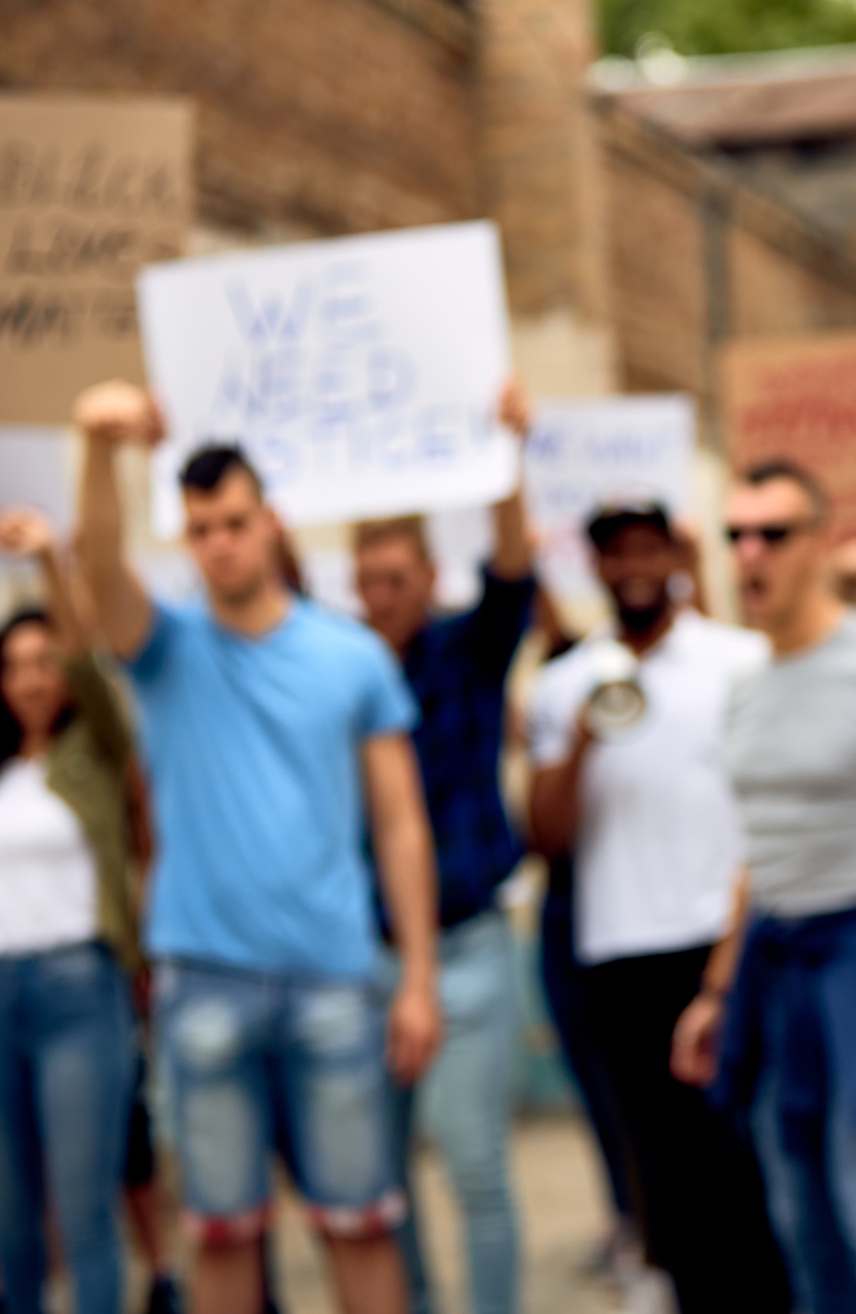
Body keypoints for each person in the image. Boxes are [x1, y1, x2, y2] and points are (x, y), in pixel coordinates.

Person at [69, 380, 443, 1314]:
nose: (218, 543)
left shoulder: (352, 654)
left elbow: (400, 824)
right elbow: (99, 561)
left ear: (271, 522)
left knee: (360, 1224)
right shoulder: (162, 650)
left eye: (233, 521)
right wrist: (97, 446)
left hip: (332, 978)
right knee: (224, 1236)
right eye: (199, 529)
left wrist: (421, 978)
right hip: (205, 980)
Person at [669, 460, 856, 1314]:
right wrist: (716, 992)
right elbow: (758, 858)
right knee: (800, 1212)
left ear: (822, 543)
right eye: (735, 535)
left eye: (772, 533)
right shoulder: (744, 686)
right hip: (778, 959)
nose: (749, 552)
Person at [525, 502, 788, 1314]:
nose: (633, 565)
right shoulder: (565, 683)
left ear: (675, 554)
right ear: (595, 566)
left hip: (725, 943)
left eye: (649, 547)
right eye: (615, 552)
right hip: (621, 952)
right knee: (661, 1166)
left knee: (754, 1157)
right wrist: (577, 740)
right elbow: (545, 837)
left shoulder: (740, 660)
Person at [352, 382, 539, 1314]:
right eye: (368, 580)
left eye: (397, 578)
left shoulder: (465, 654)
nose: (381, 597)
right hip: (367, 955)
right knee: (382, 1181)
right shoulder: (337, 672)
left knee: (475, 1165)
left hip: (468, 944)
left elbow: (514, 573)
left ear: (428, 578)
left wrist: (506, 455)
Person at [0, 510, 141, 1314]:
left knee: (84, 1213)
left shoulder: (94, 754)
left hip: (78, 991)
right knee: (10, 1222)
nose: (31, 678)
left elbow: (92, 664)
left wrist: (47, 565)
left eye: (44, 662)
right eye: (15, 665)